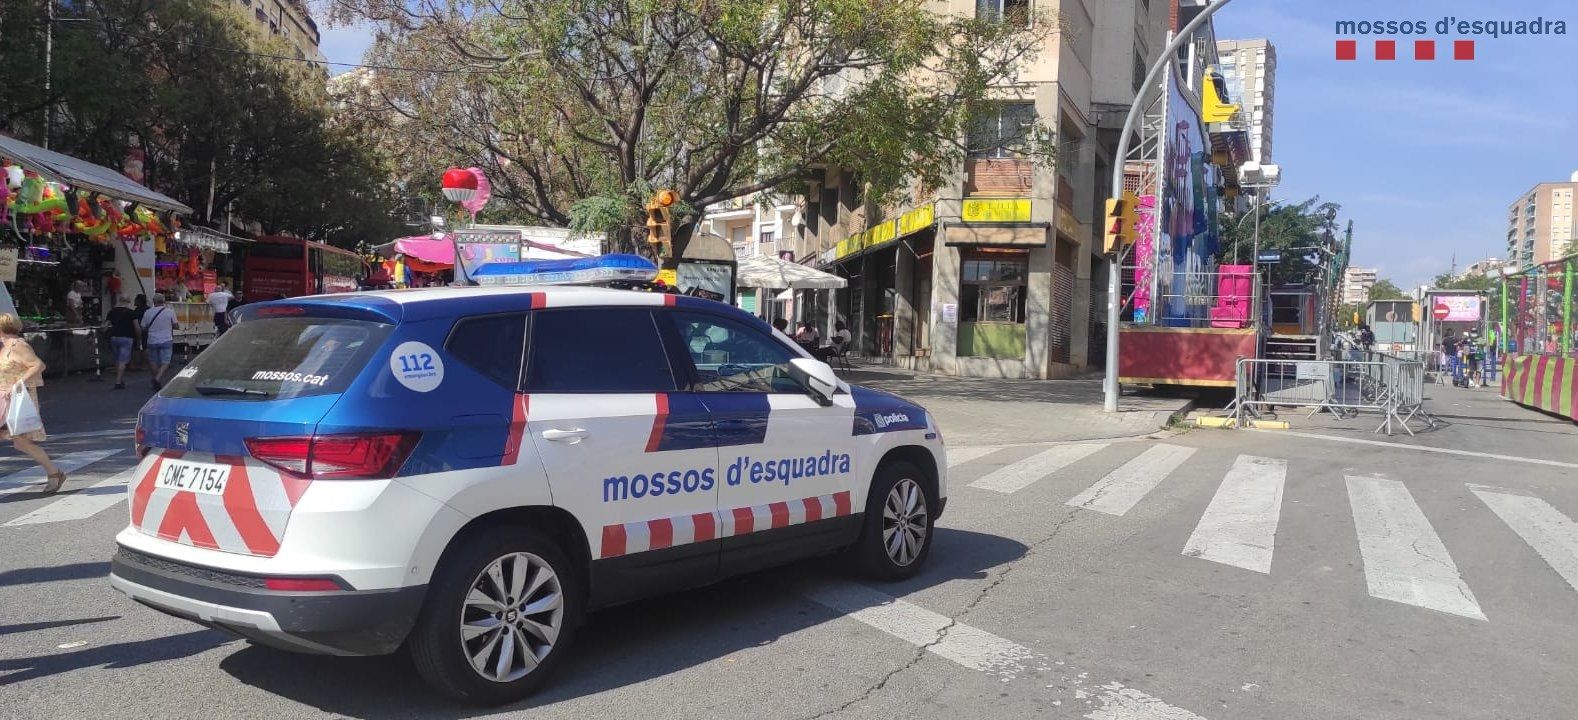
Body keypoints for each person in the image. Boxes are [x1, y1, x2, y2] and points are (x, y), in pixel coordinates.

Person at [0, 314, 66, 492]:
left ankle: (55, 473)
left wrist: (17, 384)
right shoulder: (4, 346)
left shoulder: (18, 345)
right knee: (20, 442)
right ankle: (54, 473)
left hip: (14, 401)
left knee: (21, 442)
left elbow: (38, 365)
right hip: (3, 400)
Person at [141, 293, 178, 390]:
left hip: (152, 340)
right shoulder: (170, 312)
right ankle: (157, 378)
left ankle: (156, 379)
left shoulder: (147, 312)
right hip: (166, 339)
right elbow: (176, 325)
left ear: (154, 302)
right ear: (164, 301)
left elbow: (143, 327)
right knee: (166, 362)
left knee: (153, 361)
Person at [105, 296, 139, 390]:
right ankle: (118, 382)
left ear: (119, 300)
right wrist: (138, 338)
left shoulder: (112, 311)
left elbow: (105, 325)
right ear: (128, 301)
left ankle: (119, 378)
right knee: (123, 360)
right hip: (127, 338)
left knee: (117, 359)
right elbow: (137, 327)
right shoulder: (131, 313)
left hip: (114, 337)